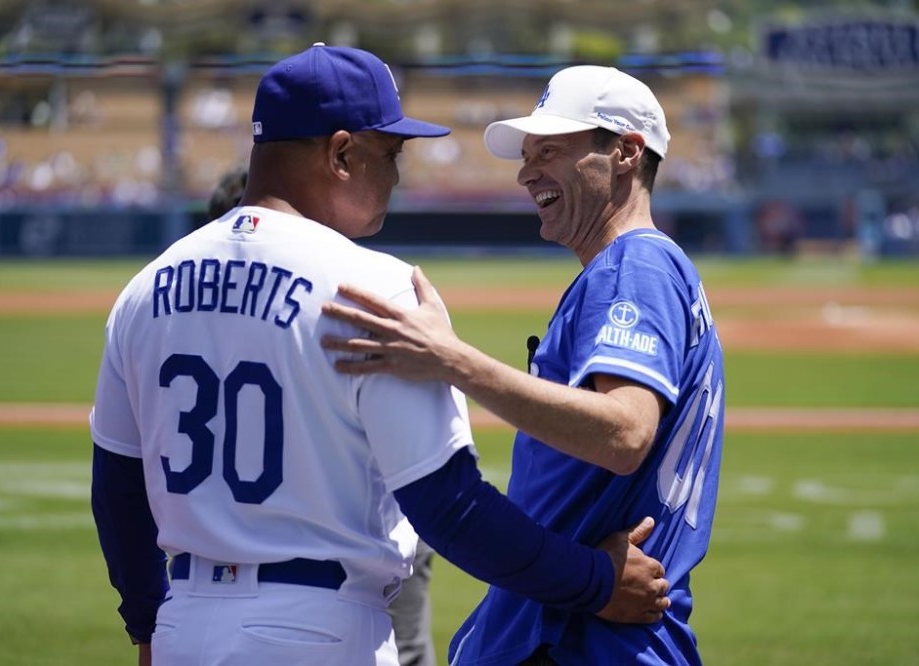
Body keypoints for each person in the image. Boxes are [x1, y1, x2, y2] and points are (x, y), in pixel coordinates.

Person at [89, 45, 670, 666]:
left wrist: (150, 629)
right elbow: (452, 509)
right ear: (341, 153)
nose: (397, 175)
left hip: (184, 624)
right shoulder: (372, 291)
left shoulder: (146, 288)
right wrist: (596, 580)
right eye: (390, 154)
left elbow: (118, 494)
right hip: (318, 630)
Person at [321, 64, 725, 665]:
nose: (526, 171)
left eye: (551, 151)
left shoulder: (631, 267)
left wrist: (451, 360)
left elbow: (625, 432)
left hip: (581, 640)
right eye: (527, 153)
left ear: (626, 152)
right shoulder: (638, 268)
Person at [204, 162, 439, 666]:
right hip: (349, 576)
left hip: (205, 600)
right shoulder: (357, 295)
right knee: (410, 647)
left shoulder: (171, 308)